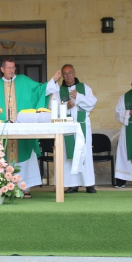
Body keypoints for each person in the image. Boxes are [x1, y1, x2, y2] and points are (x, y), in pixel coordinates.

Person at [0, 57, 61, 198]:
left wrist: (53, 81)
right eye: (9, 68)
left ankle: (26, 188)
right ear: (2, 69)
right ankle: (4, 187)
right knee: (2, 155)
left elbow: (40, 89)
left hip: (22, 130)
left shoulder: (24, 81)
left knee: (26, 153)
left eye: (14, 68)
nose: (12, 70)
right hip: (4, 130)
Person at [50, 64, 97, 193]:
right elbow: (52, 108)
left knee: (84, 153)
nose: (68, 76)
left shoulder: (84, 88)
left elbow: (93, 102)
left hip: (82, 125)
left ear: (74, 73)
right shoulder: (58, 91)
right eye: (65, 74)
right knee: (69, 155)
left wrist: (78, 98)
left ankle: (88, 184)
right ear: (62, 76)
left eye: (70, 73)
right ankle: (73, 184)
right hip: (67, 128)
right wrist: (65, 106)